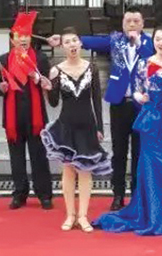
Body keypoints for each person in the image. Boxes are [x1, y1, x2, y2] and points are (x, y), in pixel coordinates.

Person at [48, 5, 154, 211]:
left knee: (140, 152)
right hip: (119, 104)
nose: (132, 24)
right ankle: (118, 195)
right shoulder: (115, 40)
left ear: (142, 24)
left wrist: (137, 42)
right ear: (123, 23)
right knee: (119, 151)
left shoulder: (150, 43)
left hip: (142, 105)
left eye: (136, 21)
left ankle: (137, 195)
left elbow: (153, 57)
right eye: (128, 21)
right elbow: (91, 41)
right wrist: (63, 39)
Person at [94, 24, 162, 236]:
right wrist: (141, 97)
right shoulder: (143, 64)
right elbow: (136, 91)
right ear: (153, 41)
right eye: (158, 39)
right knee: (149, 166)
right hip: (150, 120)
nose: (161, 43)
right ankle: (150, 213)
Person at [41, 27, 112, 233]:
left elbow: (96, 100)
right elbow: (54, 103)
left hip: (88, 124)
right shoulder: (56, 70)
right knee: (68, 170)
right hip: (66, 125)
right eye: (67, 42)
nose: (72, 45)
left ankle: (83, 216)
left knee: (85, 171)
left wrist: (99, 126)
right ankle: (70, 214)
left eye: (74, 40)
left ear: (80, 44)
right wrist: (47, 88)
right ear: (62, 47)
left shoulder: (92, 68)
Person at [0, 11, 54, 210]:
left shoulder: (40, 59)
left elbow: (49, 84)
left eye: (26, 36)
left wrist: (39, 79)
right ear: (12, 39)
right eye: (19, 36)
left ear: (31, 38)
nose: (23, 40)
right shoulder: (3, 60)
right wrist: (0, 87)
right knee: (16, 159)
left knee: (39, 157)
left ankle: (44, 194)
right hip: (13, 117)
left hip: (36, 117)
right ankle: (19, 193)